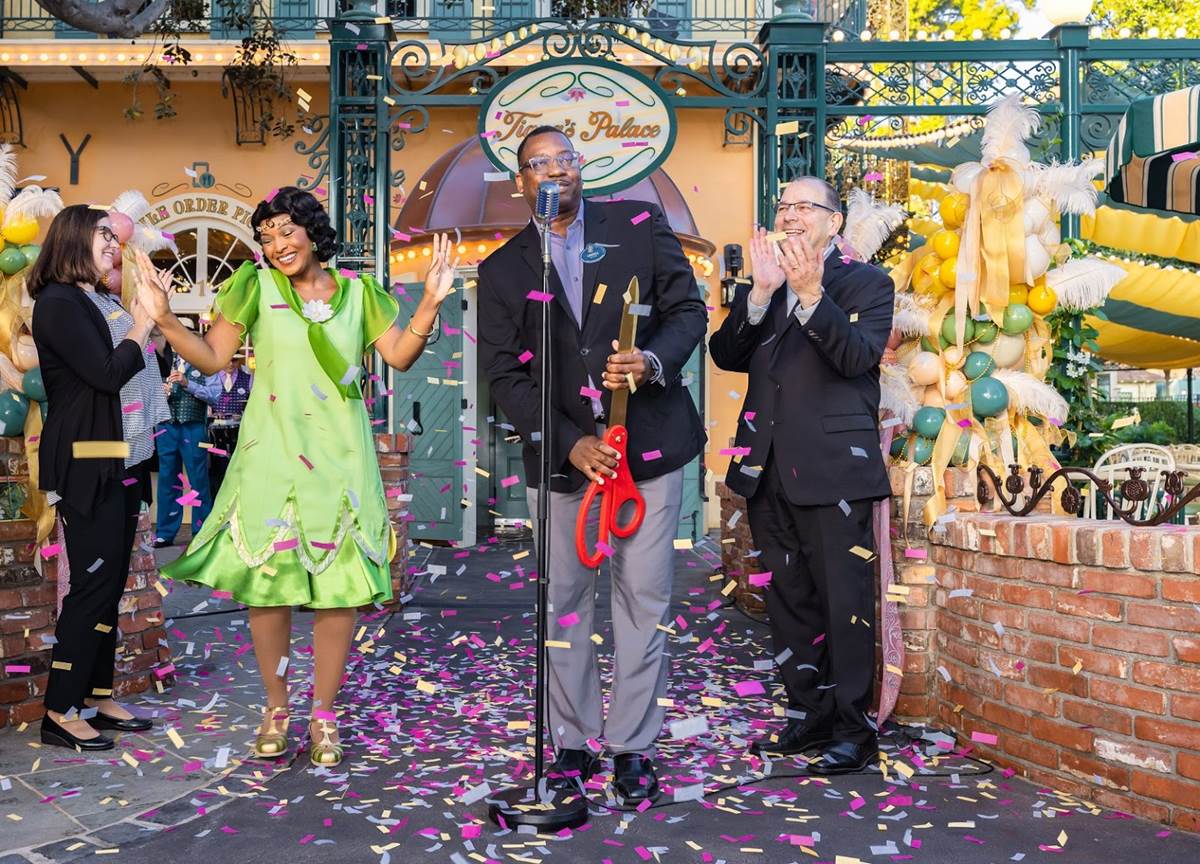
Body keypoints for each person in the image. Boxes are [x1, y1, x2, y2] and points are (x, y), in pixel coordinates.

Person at [136, 187, 457, 767]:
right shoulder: (255, 288)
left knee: (338, 591)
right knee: (270, 587)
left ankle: (324, 714)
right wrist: (162, 319)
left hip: (341, 459)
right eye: (266, 237)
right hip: (272, 457)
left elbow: (399, 355)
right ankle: (276, 708)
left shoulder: (360, 295)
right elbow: (212, 357)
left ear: (312, 231)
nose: (277, 245)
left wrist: (430, 302)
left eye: (287, 231)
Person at [478, 126, 707, 804]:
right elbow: (503, 374)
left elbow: (687, 311)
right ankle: (572, 744)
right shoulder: (503, 269)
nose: (555, 170)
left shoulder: (639, 224)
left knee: (643, 601)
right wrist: (566, 441)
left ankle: (633, 748)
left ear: (581, 167)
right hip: (563, 463)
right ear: (521, 182)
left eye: (565, 158)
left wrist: (653, 361)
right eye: (538, 163)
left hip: (649, 451)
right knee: (565, 606)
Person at [709, 177, 894, 775]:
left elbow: (857, 358)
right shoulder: (765, 281)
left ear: (833, 223)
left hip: (834, 469)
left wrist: (812, 294)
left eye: (803, 207)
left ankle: (853, 729)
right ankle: (809, 715)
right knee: (789, 602)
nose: (788, 215)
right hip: (765, 468)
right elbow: (725, 354)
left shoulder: (866, 282)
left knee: (845, 604)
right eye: (783, 206)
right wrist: (761, 294)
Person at [29, 205, 170, 750]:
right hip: (88, 460)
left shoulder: (102, 299)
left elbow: (141, 366)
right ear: (72, 239)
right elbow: (107, 375)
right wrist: (143, 322)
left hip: (123, 456)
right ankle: (60, 709)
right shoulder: (58, 303)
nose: (113, 243)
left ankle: (97, 694)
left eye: (115, 235)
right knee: (90, 587)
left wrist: (151, 318)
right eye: (103, 234)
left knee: (109, 585)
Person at [153, 347, 221, 548]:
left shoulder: (205, 362)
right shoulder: (161, 360)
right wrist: (160, 394)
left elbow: (215, 395)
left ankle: (201, 531)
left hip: (194, 426)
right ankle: (165, 533)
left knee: (198, 479)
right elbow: (147, 394)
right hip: (166, 426)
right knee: (167, 479)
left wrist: (188, 384)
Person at [207, 354, 253, 497]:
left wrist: (244, 414)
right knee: (216, 466)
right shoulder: (211, 377)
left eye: (235, 360)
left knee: (238, 464)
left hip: (239, 431)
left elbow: (252, 404)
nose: (231, 364)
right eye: (228, 360)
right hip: (214, 432)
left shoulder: (248, 378)